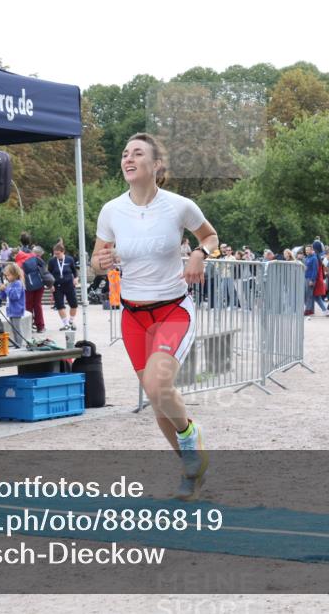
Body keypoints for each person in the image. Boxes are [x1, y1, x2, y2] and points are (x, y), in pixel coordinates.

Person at [91, 132, 217, 501]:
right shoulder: (111, 210)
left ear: (156, 165)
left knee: (157, 388)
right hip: (132, 315)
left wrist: (198, 254)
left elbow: (211, 238)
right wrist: (98, 264)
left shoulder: (179, 205)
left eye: (138, 153)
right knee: (157, 398)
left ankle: (192, 439)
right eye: (125, 153)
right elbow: (97, 264)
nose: (128, 158)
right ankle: (191, 469)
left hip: (172, 309)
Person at [51, 242, 79, 331]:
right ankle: (65, 323)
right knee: (60, 305)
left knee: (74, 304)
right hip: (57, 286)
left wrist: (76, 278)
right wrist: (50, 285)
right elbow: (48, 274)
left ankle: (71, 321)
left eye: (58, 253)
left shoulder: (69, 259)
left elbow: (74, 271)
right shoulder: (52, 261)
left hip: (69, 285)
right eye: (55, 253)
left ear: (63, 252)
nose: (56, 255)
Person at [1, 262, 26, 346]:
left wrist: (6, 289)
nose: (7, 277)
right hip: (11, 309)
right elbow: (4, 297)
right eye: (6, 276)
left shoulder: (18, 283)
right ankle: (17, 343)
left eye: (8, 275)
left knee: (17, 328)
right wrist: (2, 290)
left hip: (17, 309)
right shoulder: (10, 284)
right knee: (13, 328)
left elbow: (15, 296)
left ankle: (19, 344)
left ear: (15, 274)